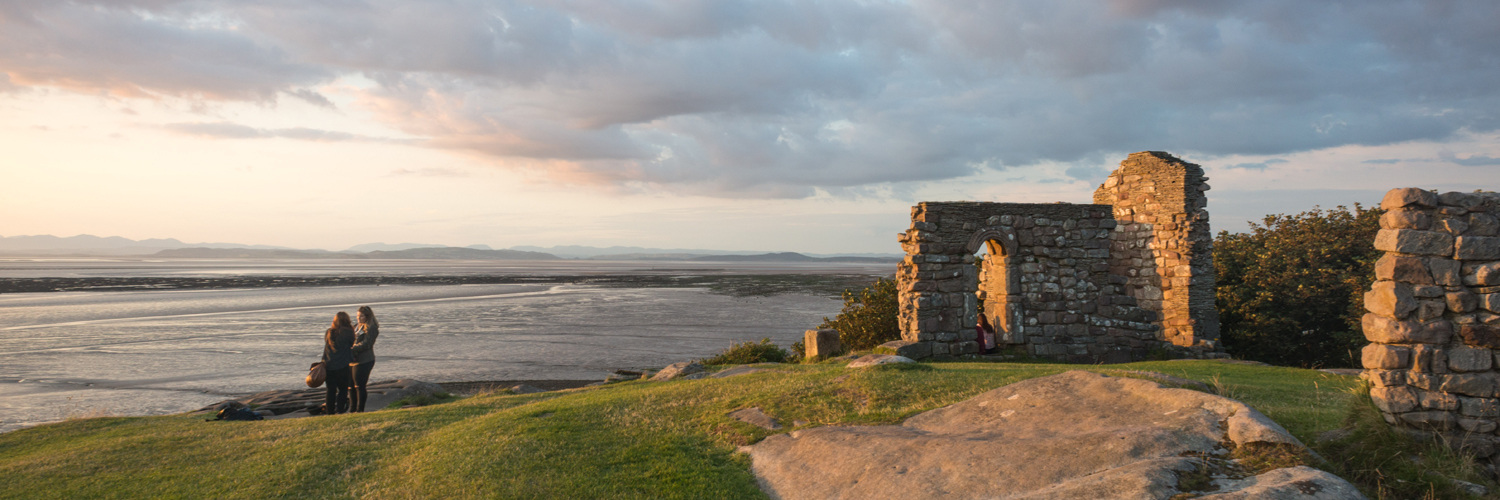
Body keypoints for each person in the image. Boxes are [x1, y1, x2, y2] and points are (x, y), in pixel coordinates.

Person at [322, 311, 355, 415]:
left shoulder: (329, 332)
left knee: (330, 390)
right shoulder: (348, 332)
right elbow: (351, 343)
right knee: (343, 389)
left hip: (329, 365)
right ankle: (340, 410)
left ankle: (329, 411)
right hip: (342, 365)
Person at [350, 305, 380, 413]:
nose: (358, 318)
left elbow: (367, 344)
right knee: (350, 386)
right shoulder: (356, 326)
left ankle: (360, 410)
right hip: (353, 360)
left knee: (359, 385)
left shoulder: (371, 327)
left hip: (365, 360)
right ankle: (352, 409)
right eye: (358, 316)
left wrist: (352, 349)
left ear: (367, 316)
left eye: (361, 316)